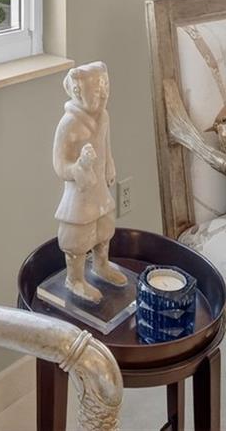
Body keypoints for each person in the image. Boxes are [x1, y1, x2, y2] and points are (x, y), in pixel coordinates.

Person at [52, 62, 128, 303]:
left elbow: (106, 146)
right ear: (77, 91)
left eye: (106, 87)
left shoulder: (103, 117)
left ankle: (101, 265)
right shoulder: (68, 124)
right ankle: (74, 279)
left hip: (100, 190)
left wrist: (110, 164)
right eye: (97, 90)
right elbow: (59, 164)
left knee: (104, 227)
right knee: (78, 235)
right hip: (80, 194)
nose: (104, 94)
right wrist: (78, 167)